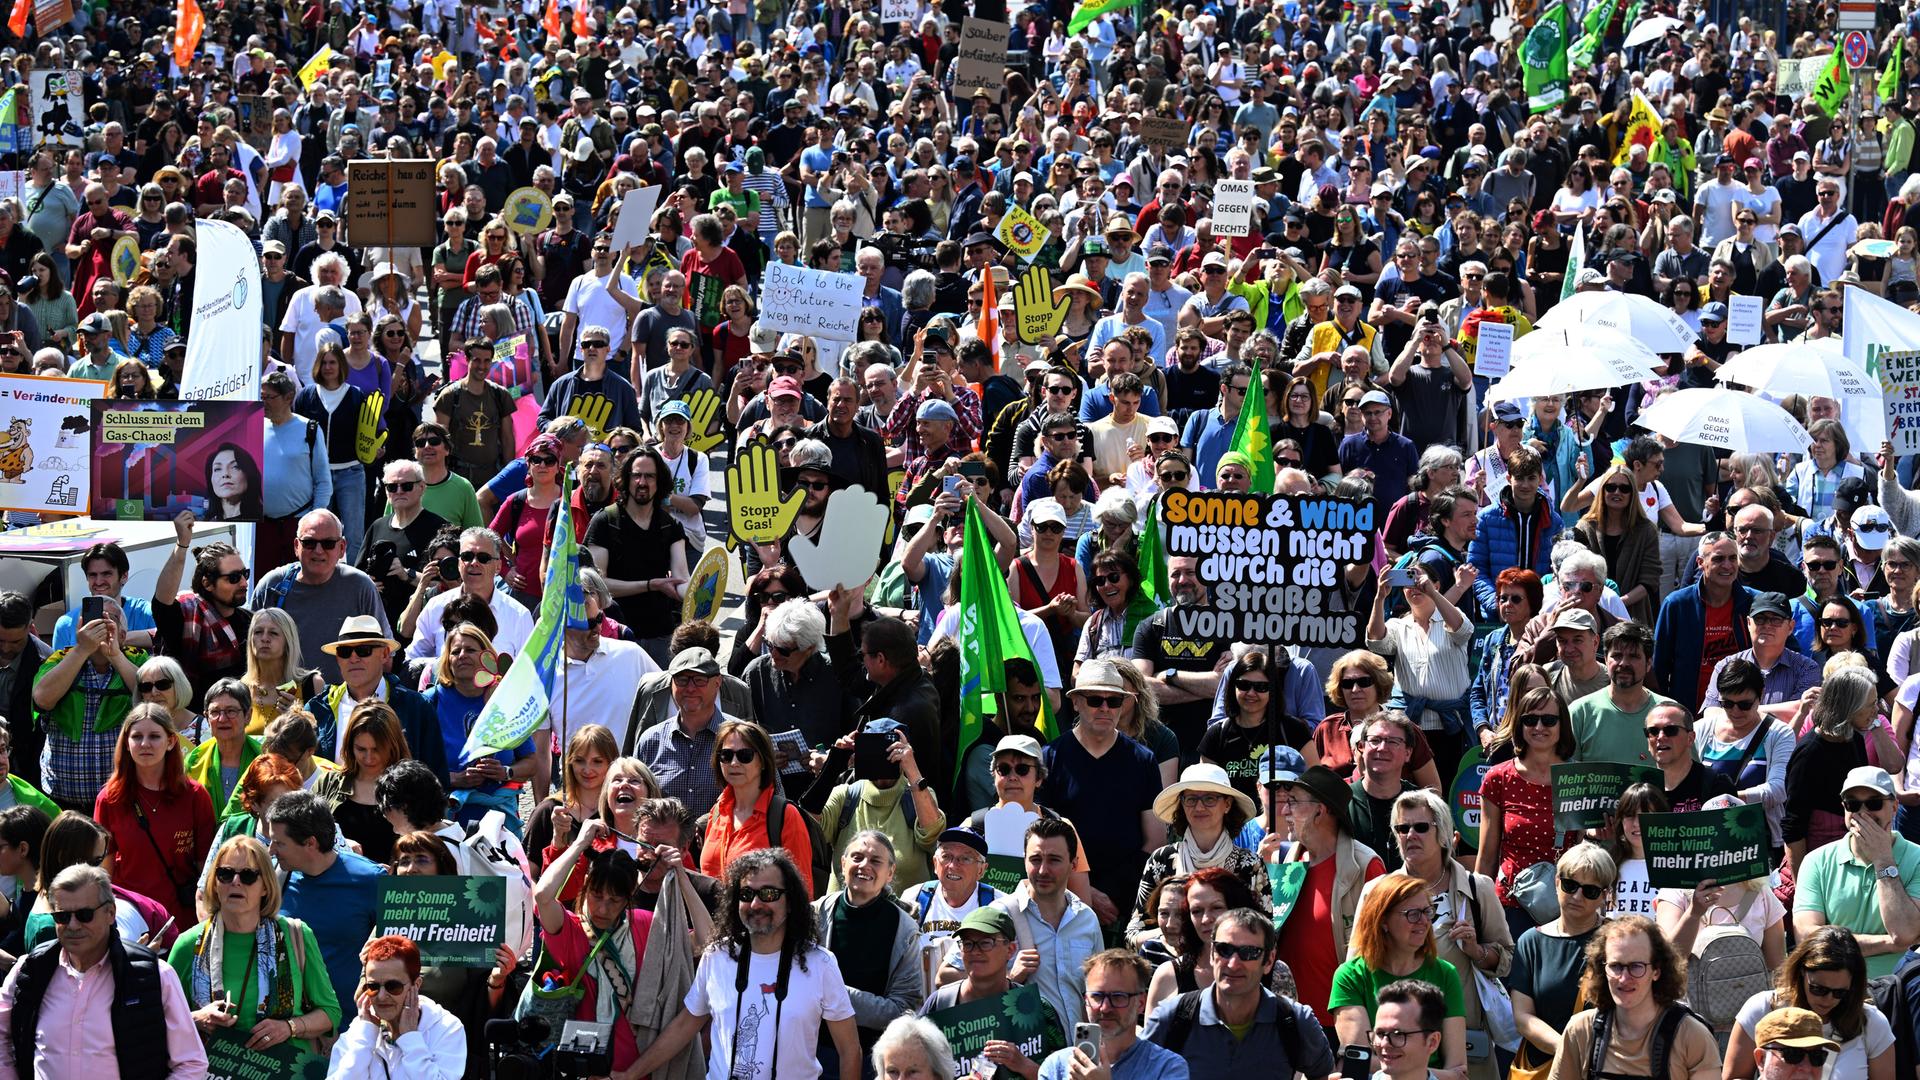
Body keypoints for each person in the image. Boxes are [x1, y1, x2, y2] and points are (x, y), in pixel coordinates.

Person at [622, 848, 862, 1080]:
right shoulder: (717, 956)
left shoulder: (820, 963)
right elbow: (684, 1026)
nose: (756, 904)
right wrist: (629, 1075)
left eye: (769, 894)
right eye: (746, 895)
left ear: (790, 902)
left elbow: (850, 1051)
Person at [0, 864, 208, 1078]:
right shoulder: (31, 971)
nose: (72, 925)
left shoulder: (155, 976)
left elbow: (191, 1063)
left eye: (84, 915)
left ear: (110, 913)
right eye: (62, 916)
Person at [168, 835, 338, 1053]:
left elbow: (330, 1012)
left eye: (248, 875)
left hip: (283, 1071)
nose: (235, 882)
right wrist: (197, 1019)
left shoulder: (296, 934)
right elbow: (161, 1019)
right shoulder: (188, 944)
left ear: (266, 886)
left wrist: (289, 1027)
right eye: (226, 874)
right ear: (215, 883)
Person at [1042, 660, 1165, 933]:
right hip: (1061, 901)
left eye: (1115, 701)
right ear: (1076, 702)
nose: (1105, 708)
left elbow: (1155, 840)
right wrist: (1084, 893)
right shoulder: (1049, 758)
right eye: (1096, 699)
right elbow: (1040, 840)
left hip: (1124, 903)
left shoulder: (1143, 760)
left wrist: (1111, 896)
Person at [1141, 908, 1336, 1078]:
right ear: (1212, 954)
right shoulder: (1173, 1018)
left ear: (1269, 961)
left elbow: (1322, 1075)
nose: (1233, 964)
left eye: (1249, 952)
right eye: (1224, 949)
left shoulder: (1295, 1021)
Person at [1265, 764, 1387, 1028]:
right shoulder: (1285, 859)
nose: (1284, 810)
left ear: (1320, 811)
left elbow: (1380, 950)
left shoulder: (1365, 866)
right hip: (1285, 1019)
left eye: (1293, 802)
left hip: (1339, 1024)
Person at [532, 817, 654, 1076]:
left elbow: (701, 941)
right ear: (585, 885)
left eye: (614, 900)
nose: (602, 908)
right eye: (596, 895)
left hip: (634, 1067)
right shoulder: (569, 929)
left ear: (629, 896)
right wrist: (579, 844)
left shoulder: (644, 923)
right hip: (580, 1066)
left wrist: (680, 873)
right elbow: (543, 895)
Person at [1547, 914, 1721, 1080]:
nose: (1624, 978)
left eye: (1636, 966)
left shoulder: (1692, 1037)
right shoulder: (1580, 1031)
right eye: (1615, 966)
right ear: (1602, 969)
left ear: (1656, 971)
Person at [1330, 872, 1469, 1078]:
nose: (1423, 921)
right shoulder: (1350, 976)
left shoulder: (1445, 973)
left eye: (1427, 912)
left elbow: (1459, 1071)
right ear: (1383, 920)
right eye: (1412, 914)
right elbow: (1359, 1062)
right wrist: (1419, 1072)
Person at [1791, 765, 1920, 980]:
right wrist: (1888, 944)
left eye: (1874, 803)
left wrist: (1883, 860)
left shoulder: (1917, 859)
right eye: (1853, 804)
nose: (1863, 813)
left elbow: (1904, 932)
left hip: (1898, 992)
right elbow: (1808, 937)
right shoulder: (1816, 861)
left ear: (1895, 807)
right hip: (1832, 992)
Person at [90, 703, 214, 925]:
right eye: (137, 736)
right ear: (126, 744)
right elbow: (103, 871)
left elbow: (206, 867)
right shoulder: (109, 799)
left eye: (155, 736)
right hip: (130, 917)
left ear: (171, 741)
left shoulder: (195, 795)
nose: (145, 744)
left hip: (182, 918)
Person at [269, 789, 388, 1015]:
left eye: (279, 843)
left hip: (352, 1026)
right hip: (293, 1025)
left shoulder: (370, 880)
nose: (271, 850)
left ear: (310, 843)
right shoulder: (276, 877)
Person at [812, 831, 926, 1065]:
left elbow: (903, 1010)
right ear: (843, 864)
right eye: (857, 857)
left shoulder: (904, 929)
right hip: (810, 1052)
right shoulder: (815, 914)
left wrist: (833, 993)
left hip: (872, 1059)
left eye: (875, 861)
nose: (864, 865)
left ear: (890, 872)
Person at [1724, 928, 1893, 1080]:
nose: (1828, 999)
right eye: (1819, 989)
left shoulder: (1871, 1022)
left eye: (1839, 992)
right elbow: (1734, 1077)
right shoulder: (1763, 1008)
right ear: (1801, 973)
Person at [1478, 686, 1577, 939]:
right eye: (1530, 720)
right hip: (1512, 903)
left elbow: (1583, 848)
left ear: (1562, 725)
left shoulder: (1577, 778)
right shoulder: (1498, 777)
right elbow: (1487, 854)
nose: (1539, 727)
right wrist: (1478, 906)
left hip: (1566, 902)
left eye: (1549, 720)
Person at [1509, 843, 1618, 1074]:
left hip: (1608, 1067)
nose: (1577, 896)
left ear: (1604, 895)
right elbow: (1523, 1017)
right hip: (1545, 1068)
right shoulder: (1531, 942)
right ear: (1557, 882)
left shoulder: (1618, 939)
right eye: (1570, 885)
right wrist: (1569, 1051)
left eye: (1590, 891)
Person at [30, 594, 145, 811]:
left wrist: (115, 655)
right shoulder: (60, 658)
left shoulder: (138, 660)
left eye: (108, 619)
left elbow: (153, 698)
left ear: (122, 634)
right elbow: (42, 699)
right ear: (79, 630)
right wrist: (82, 650)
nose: (100, 625)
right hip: (62, 802)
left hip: (121, 801)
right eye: (93, 619)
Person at [251, 509, 392, 685]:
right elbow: (250, 653)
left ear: (342, 548)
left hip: (344, 703)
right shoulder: (272, 585)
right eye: (309, 543)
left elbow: (385, 656)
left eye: (328, 543)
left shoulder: (360, 586)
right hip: (285, 702)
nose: (318, 551)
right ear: (296, 546)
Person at [1127, 764, 1263, 946]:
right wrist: (1170, 934)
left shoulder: (1251, 864)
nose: (1199, 806)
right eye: (1191, 799)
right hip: (1168, 968)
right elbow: (1133, 934)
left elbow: (1266, 932)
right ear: (1181, 804)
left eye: (1210, 798)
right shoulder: (1161, 860)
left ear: (1228, 804)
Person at [303, 616, 447, 784]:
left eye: (364, 650)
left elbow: (436, 779)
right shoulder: (316, 709)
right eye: (345, 652)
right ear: (338, 659)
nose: (354, 658)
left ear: (385, 654)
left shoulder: (418, 707)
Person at [697, 719, 817, 895]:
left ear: (762, 761)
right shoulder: (716, 812)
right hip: (712, 921)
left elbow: (803, 893)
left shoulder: (785, 816)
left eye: (745, 755)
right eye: (726, 755)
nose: (734, 763)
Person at [1037, 949, 1189, 1080]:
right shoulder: (1056, 1066)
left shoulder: (1167, 1067)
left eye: (1118, 996)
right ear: (1086, 1001)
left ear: (1141, 1003)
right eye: (1097, 996)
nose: (1105, 1008)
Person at [1570, 622, 1676, 766]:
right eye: (1617, 655)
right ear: (1606, 660)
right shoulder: (1580, 713)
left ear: (1649, 663)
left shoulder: (1671, 714)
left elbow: (1687, 774)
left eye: (1633, 656)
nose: (1624, 663)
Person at [181, 678, 260, 814]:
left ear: (248, 715)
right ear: (206, 718)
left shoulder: (264, 758)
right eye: (215, 712)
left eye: (231, 711)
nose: (222, 719)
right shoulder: (194, 761)